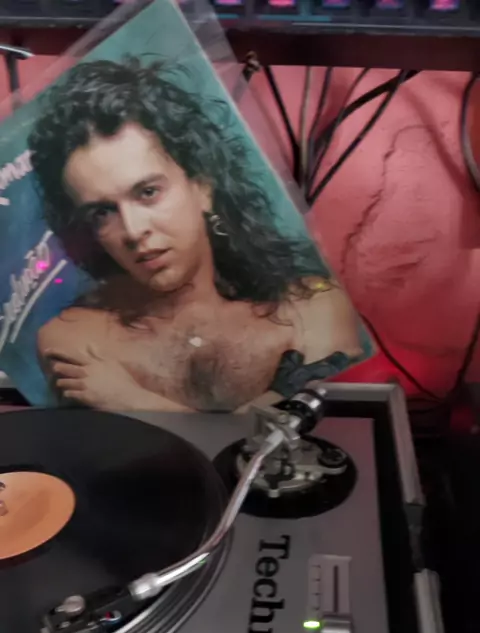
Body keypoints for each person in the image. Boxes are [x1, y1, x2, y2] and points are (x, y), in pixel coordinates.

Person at [29, 58, 366, 412]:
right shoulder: (75, 336)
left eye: (148, 192)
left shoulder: (313, 307)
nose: (133, 230)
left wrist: (131, 401)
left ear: (203, 186)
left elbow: (288, 437)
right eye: (102, 212)